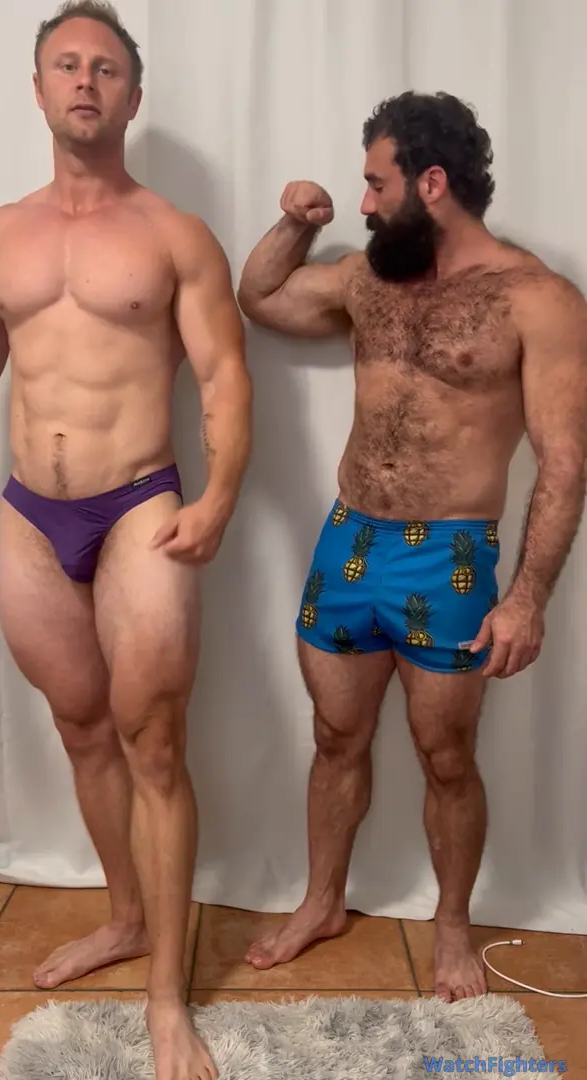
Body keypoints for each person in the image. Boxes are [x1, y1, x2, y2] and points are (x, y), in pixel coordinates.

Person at [237, 90, 587, 1002]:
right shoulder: (368, 278)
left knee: (446, 755)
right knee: (333, 736)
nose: (363, 203)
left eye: (374, 184)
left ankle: (453, 927)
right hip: (348, 538)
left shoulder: (537, 299)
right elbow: (261, 296)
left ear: (431, 183)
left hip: (453, 556)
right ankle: (322, 901)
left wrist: (526, 598)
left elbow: (565, 461)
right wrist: (295, 222)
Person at [0, 2, 251, 1078]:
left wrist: (220, 497)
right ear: (38, 89)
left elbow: (223, 379)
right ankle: (126, 916)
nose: (85, 81)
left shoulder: (176, 235)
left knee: (154, 744)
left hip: (141, 505)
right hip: (29, 515)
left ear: (133, 96)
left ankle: (168, 998)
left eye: (105, 68)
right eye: (66, 65)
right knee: (82, 729)